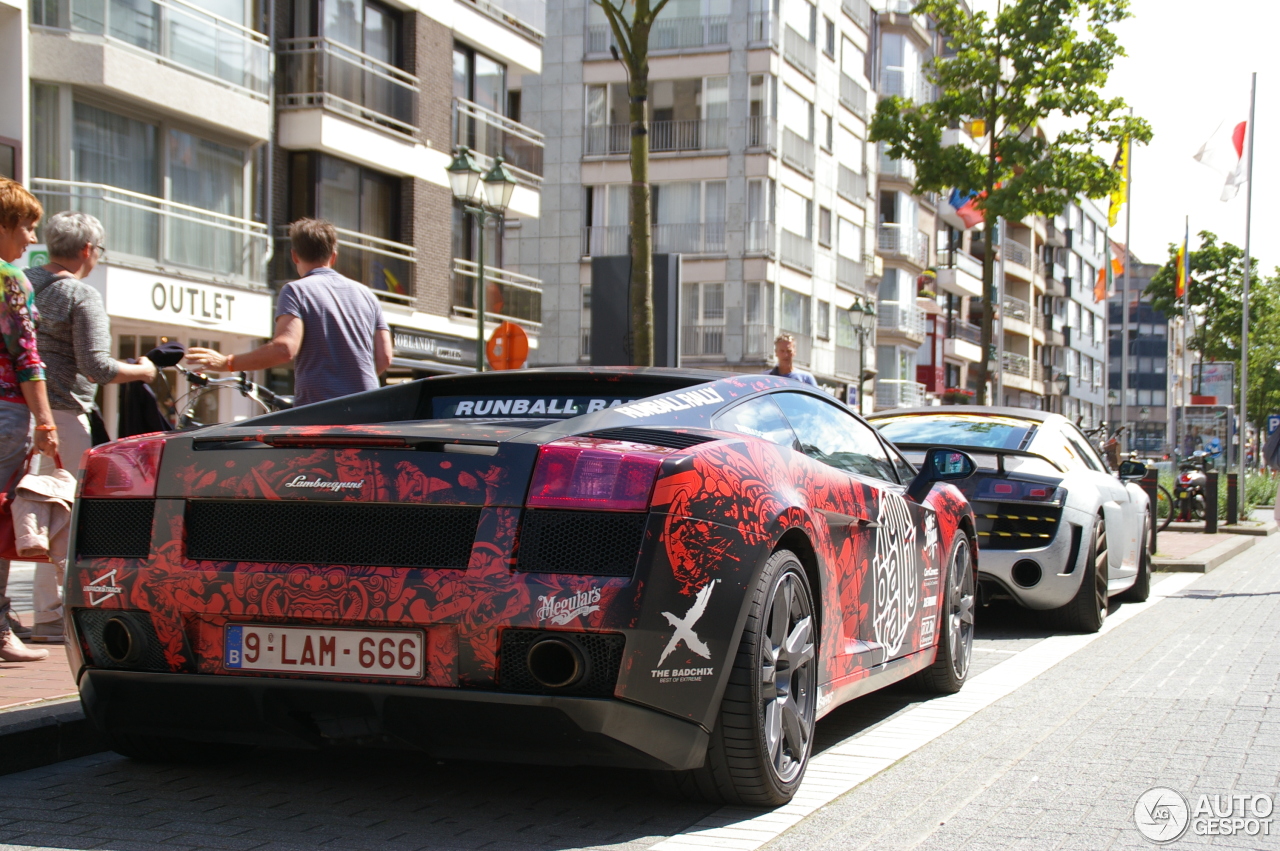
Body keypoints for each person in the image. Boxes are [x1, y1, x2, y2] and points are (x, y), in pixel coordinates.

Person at [24, 211, 158, 644]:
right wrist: (143, 370)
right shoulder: (80, 295)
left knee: (18, 512)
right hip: (60, 416)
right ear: (87, 251)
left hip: (15, 410)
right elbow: (97, 366)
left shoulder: (19, 283)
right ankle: (48, 615)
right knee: (62, 514)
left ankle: (16, 616)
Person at [186, 218, 391, 406]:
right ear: (333, 256)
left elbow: (284, 349)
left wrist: (227, 363)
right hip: (367, 408)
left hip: (320, 411)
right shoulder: (368, 295)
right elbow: (385, 358)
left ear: (294, 255)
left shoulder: (296, 290)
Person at [0, 178, 59, 663]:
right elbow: (27, 358)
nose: (31, 240)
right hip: (5, 413)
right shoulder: (9, 280)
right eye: (26, 227)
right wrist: (45, 421)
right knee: (1, 517)